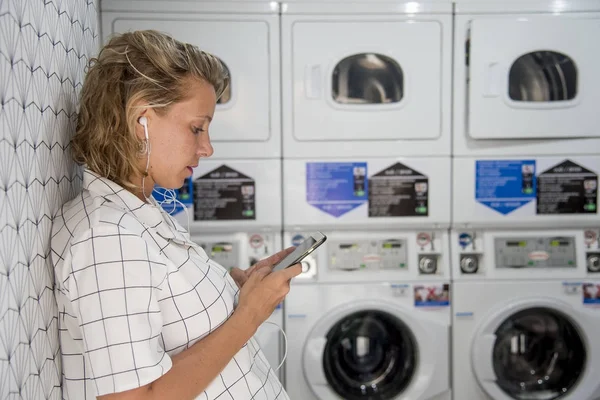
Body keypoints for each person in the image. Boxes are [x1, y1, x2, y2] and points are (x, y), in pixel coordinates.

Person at [50, 30, 301, 400]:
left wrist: (236, 289)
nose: (207, 147)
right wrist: (251, 313)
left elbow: (167, 311)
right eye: (197, 128)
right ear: (142, 120)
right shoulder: (106, 238)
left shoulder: (137, 212)